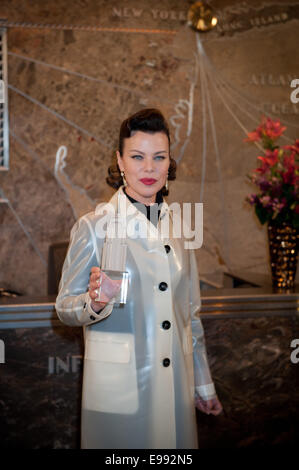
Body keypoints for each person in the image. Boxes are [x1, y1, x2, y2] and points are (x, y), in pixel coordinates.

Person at [55, 108, 222, 449]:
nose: (149, 168)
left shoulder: (179, 227)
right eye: (137, 156)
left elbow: (190, 314)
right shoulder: (94, 226)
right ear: (120, 161)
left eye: (159, 157)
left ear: (169, 163)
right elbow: (64, 307)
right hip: (120, 390)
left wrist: (202, 385)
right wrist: (94, 302)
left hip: (175, 383)